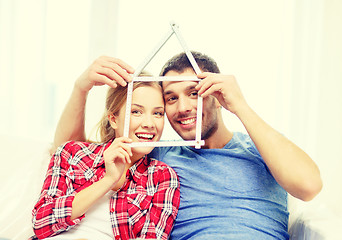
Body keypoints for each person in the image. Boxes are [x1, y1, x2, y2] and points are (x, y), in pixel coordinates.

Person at [50, 54, 323, 240]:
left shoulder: (261, 147)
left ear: (217, 95)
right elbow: (71, 155)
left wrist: (240, 106)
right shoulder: (159, 155)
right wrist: (81, 88)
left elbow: (309, 186)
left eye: (194, 93)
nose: (182, 108)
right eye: (171, 97)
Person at [31, 66, 180, 240]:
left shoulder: (162, 177)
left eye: (157, 113)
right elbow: (40, 223)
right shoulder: (72, 153)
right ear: (113, 119)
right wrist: (108, 180)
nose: (149, 123)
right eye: (136, 112)